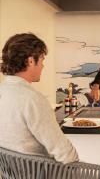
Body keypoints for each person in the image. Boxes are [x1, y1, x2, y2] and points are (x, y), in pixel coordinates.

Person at [0, 33, 78, 164]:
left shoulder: (3, 91)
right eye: (42, 59)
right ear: (31, 61)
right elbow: (66, 155)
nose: (43, 66)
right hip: (38, 173)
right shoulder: (33, 100)